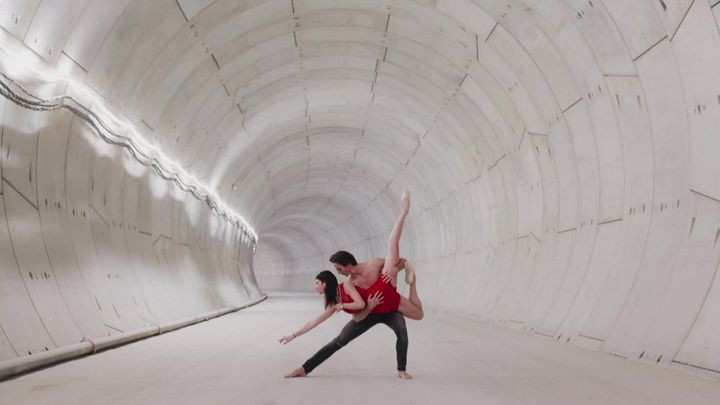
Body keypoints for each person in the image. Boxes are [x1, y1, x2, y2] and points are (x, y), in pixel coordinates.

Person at [281, 191, 422, 379]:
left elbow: (398, 258)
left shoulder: (372, 266)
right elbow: (323, 320)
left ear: (348, 264)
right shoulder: (349, 285)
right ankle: (304, 368)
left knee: (403, 331)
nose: (339, 273)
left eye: (340, 269)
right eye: (336, 271)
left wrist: (398, 268)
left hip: (389, 305)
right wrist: (293, 335)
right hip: (368, 314)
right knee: (339, 341)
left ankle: (401, 370)